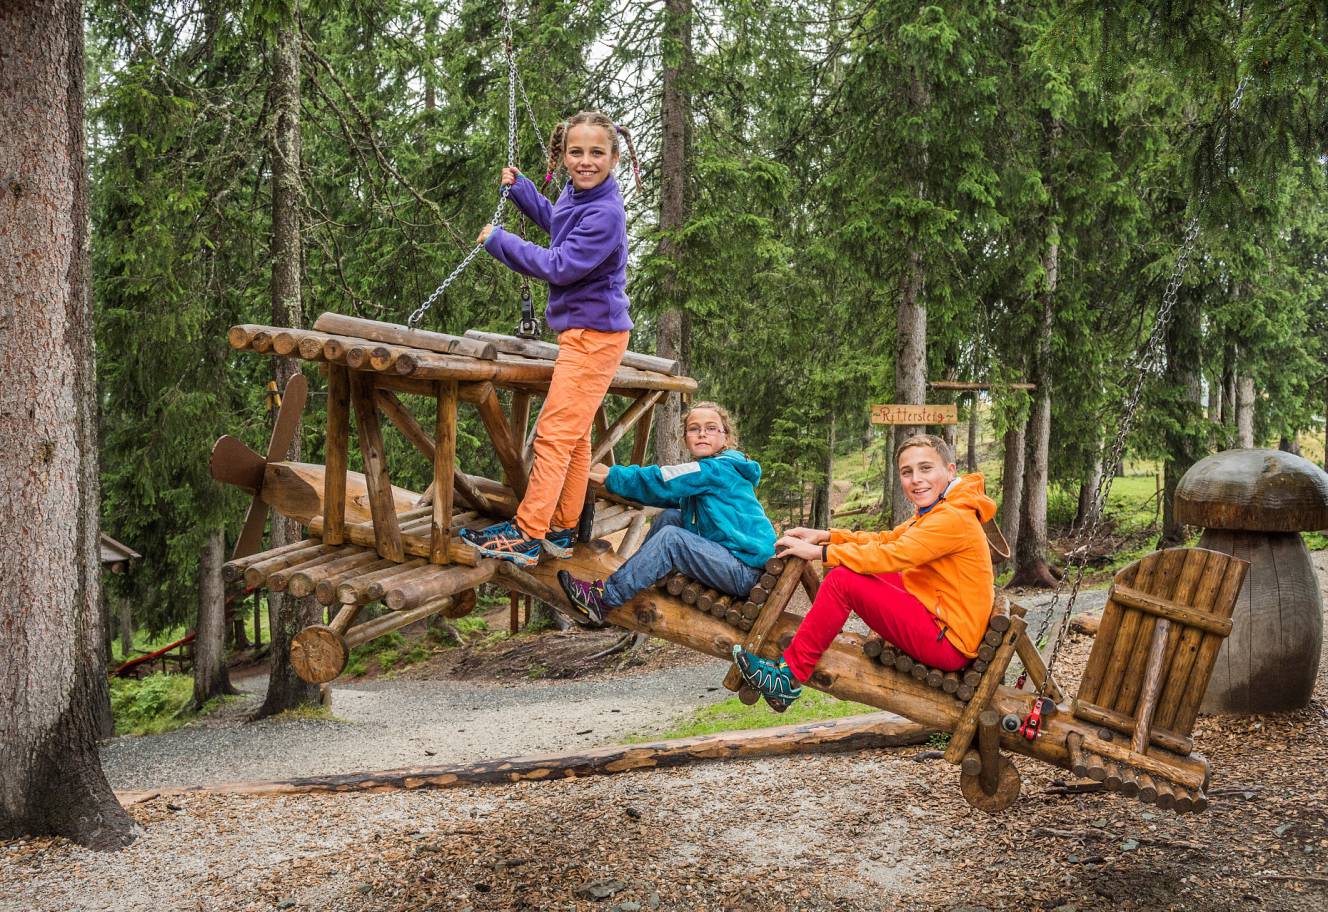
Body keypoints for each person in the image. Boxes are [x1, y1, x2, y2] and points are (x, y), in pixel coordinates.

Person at [462, 111, 644, 567]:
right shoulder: (580, 194)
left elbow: (560, 264)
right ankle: (562, 527)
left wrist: (499, 241)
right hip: (583, 334)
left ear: (615, 157)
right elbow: (559, 222)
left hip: (594, 339)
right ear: (563, 157)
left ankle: (527, 534)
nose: (586, 161)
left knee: (553, 437)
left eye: (597, 153)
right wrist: (523, 191)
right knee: (576, 437)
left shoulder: (606, 213)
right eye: (576, 153)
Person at [733, 434, 996, 710]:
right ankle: (812, 641)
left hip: (948, 642)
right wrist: (827, 537)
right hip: (942, 619)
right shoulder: (942, 507)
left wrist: (820, 553)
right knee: (850, 571)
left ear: (950, 469)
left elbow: (892, 555)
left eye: (926, 468)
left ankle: (788, 677)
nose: (916, 479)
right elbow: (888, 540)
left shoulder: (951, 517)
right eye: (907, 472)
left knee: (842, 581)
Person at [556, 402, 777, 626]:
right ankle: (640, 578)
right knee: (671, 517)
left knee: (672, 538)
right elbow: (665, 494)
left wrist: (613, 476)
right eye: (693, 428)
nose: (701, 434)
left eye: (711, 428)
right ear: (685, 438)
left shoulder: (717, 469)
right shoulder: (711, 472)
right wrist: (615, 480)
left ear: (725, 437)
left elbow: (664, 480)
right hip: (731, 561)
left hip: (745, 572)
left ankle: (602, 600)